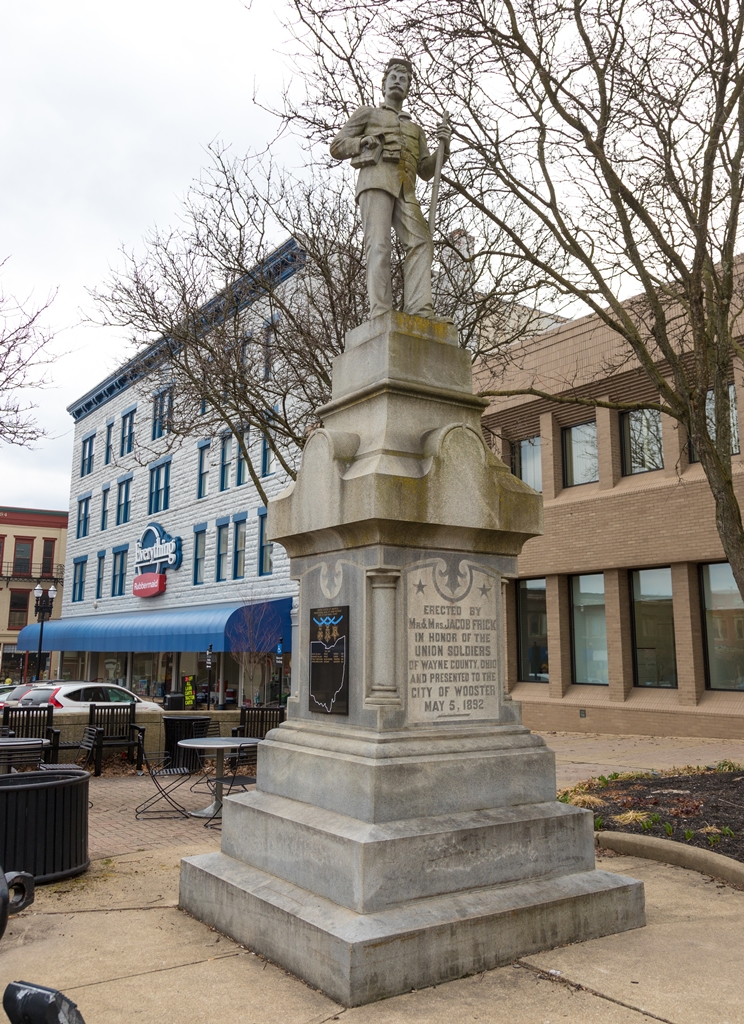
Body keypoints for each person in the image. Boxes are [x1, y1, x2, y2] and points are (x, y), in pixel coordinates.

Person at [330, 58, 451, 320]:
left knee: (421, 240)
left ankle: (420, 309)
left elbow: (426, 170)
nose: (398, 80)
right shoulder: (368, 114)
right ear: (383, 84)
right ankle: (381, 313)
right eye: (393, 76)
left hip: (406, 189)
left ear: (408, 88)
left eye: (403, 78)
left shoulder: (416, 129)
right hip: (376, 182)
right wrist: (363, 142)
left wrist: (444, 147)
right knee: (379, 246)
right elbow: (337, 145)